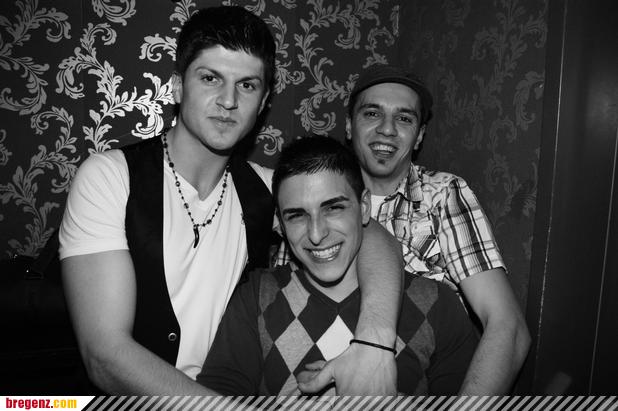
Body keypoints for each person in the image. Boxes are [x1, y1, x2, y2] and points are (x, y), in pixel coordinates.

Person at [58, 7, 402, 395]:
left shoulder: (265, 187)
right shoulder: (110, 177)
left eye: (247, 85)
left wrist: (375, 342)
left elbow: (370, 233)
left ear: (263, 101)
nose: (228, 100)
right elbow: (105, 355)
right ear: (177, 86)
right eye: (210, 78)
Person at [197, 136, 479, 395]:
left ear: (364, 207)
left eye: (333, 208)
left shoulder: (437, 304)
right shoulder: (257, 297)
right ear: (280, 224)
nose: (316, 234)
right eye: (297, 215)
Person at [332, 64, 530, 395]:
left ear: (420, 135)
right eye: (372, 114)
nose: (387, 129)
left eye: (404, 118)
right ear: (350, 125)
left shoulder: (442, 195)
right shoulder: (318, 196)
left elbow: (507, 325)